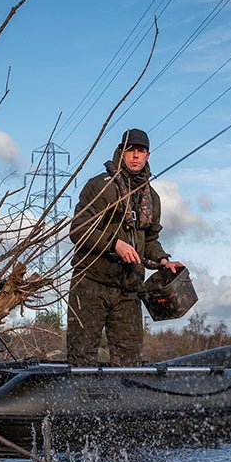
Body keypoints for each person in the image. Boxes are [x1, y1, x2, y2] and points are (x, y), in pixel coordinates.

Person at [66, 128, 183, 366]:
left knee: (129, 363)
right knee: (82, 359)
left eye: (141, 151)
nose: (136, 156)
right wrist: (114, 244)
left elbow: (150, 241)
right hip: (91, 284)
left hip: (128, 290)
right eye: (131, 150)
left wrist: (162, 260)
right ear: (121, 151)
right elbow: (78, 230)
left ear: (148, 156)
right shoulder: (99, 186)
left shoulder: (153, 198)